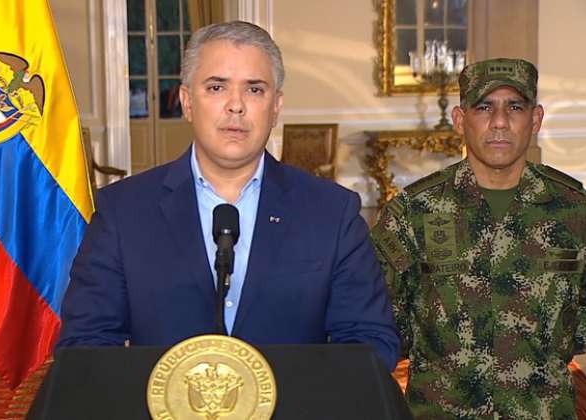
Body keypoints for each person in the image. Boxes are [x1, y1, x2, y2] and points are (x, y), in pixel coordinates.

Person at [56, 21, 400, 371]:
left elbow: (371, 343)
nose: (235, 105)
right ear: (187, 102)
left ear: (276, 105)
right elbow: (86, 344)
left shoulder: (333, 213)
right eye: (217, 87)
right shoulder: (123, 211)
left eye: (254, 90)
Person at [372, 57, 586, 418]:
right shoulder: (415, 212)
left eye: (515, 107)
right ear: (460, 120)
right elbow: (381, 318)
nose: (499, 122)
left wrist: (541, 348)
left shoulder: (576, 210)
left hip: (542, 411)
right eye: (484, 107)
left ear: (535, 119)